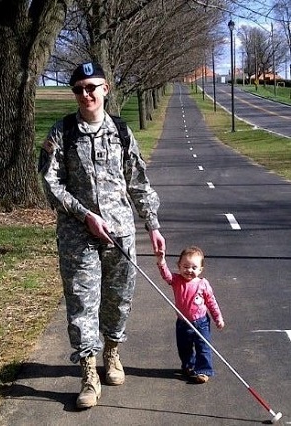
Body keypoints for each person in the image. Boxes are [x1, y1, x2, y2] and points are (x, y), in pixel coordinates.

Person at [39, 61, 165, 408]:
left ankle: (112, 354)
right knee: (82, 303)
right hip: (77, 235)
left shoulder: (122, 132)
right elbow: (50, 183)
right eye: (79, 89)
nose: (86, 94)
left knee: (118, 299)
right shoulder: (62, 132)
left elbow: (138, 181)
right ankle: (88, 374)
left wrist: (152, 225)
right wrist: (84, 214)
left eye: (92, 87)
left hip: (120, 234)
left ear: (105, 89)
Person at [156, 246, 224, 383]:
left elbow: (211, 302)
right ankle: (189, 366)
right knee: (184, 348)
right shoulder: (176, 280)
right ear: (179, 266)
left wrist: (218, 317)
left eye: (194, 267)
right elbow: (166, 275)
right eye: (185, 267)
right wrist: (161, 261)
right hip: (183, 323)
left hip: (201, 323)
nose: (189, 270)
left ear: (200, 269)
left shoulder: (203, 284)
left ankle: (204, 371)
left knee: (203, 348)